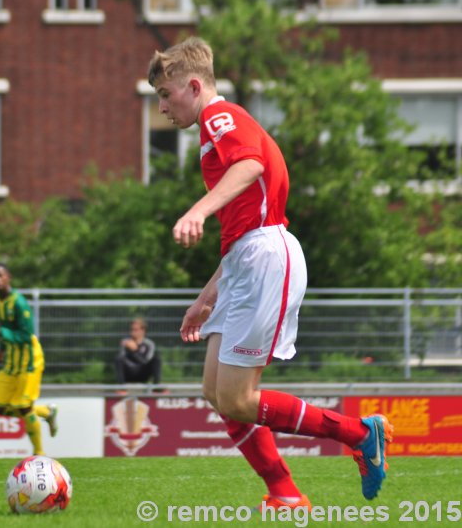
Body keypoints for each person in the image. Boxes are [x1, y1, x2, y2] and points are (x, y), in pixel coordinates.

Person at [148, 37, 394, 508]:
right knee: (217, 394)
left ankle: (360, 434)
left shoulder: (221, 117)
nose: (162, 106)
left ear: (193, 86)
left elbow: (251, 164)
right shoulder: (212, 132)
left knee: (239, 398)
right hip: (246, 258)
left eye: (165, 94)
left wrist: (197, 211)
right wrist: (206, 297)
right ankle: (284, 492)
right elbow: (241, 226)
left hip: (267, 256)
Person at [0, 263, 58, 455]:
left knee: (24, 407)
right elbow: (6, 328)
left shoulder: (18, 302)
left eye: (1, 276)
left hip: (29, 360)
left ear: (9, 277)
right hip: (11, 361)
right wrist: (1, 350)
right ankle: (46, 412)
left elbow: (26, 335)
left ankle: (39, 454)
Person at [114, 318, 162, 394]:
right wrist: (129, 348)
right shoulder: (126, 343)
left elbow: (145, 361)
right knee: (118, 359)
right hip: (129, 373)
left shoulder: (149, 344)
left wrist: (135, 351)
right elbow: (121, 359)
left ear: (143, 330)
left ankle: (156, 388)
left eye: (135, 330)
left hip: (143, 373)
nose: (132, 332)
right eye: (131, 329)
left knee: (156, 359)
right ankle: (122, 388)